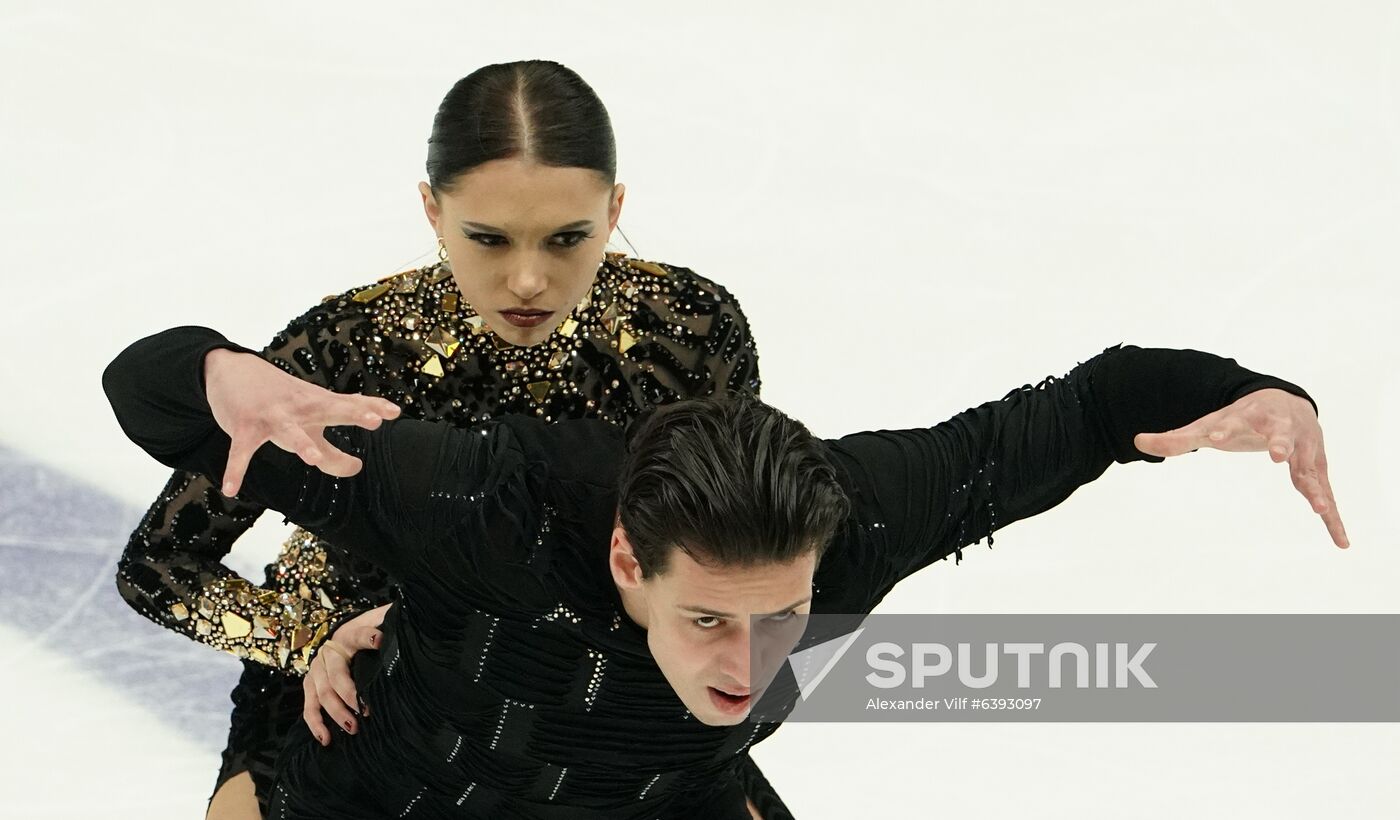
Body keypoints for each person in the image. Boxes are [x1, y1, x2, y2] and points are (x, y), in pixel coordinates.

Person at [102, 322, 1347, 818]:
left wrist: (1248, 392)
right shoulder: (479, 504)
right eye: (704, 617)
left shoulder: (853, 520)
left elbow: (1085, 409)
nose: (747, 662)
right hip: (395, 796)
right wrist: (221, 371)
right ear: (624, 555)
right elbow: (149, 394)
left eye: (781, 617)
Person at [111, 60, 786, 820]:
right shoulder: (351, 347)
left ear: (615, 207)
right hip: (366, 696)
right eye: (489, 239)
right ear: (433, 211)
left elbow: (730, 544)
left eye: (568, 238)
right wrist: (310, 642)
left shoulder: (689, 333)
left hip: (610, 693)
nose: (528, 280)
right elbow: (161, 565)